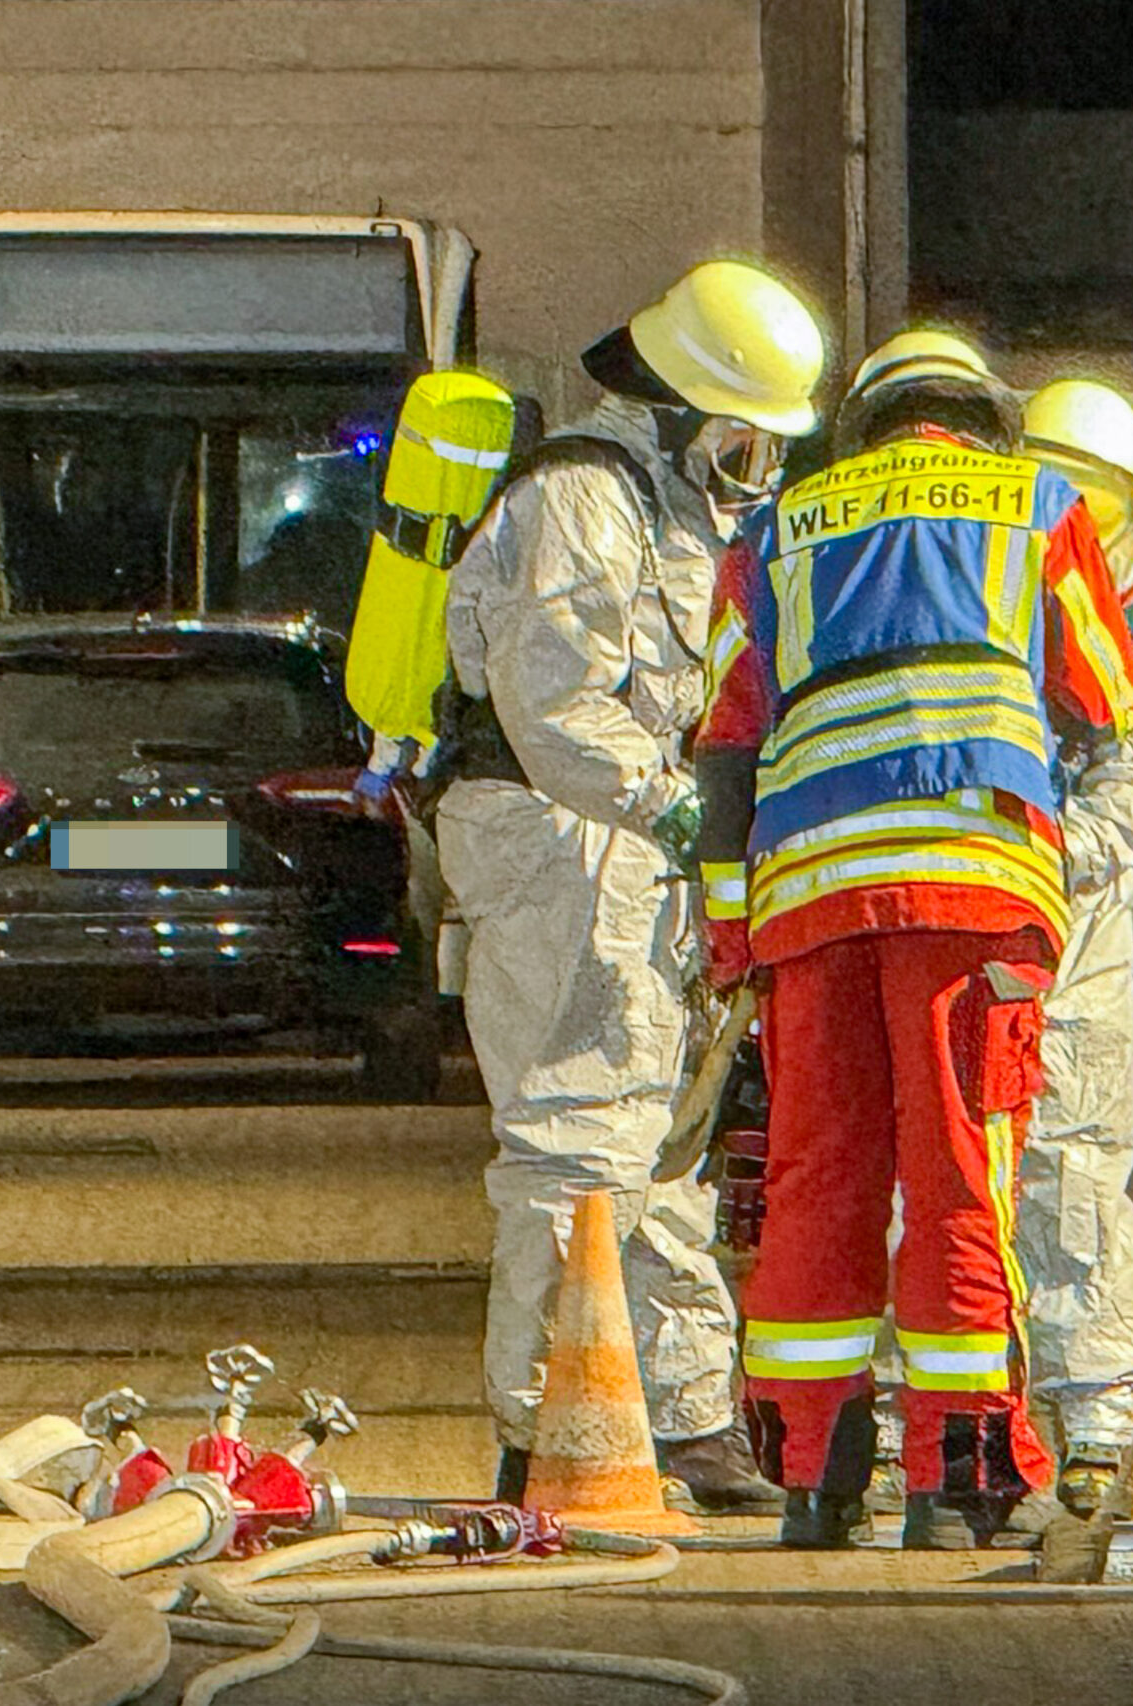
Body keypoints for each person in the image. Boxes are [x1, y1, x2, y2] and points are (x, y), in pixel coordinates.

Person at [693, 330, 1133, 1549]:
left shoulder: (777, 527)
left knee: (814, 1175)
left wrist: (729, 928)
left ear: (865, 422)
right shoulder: (1041, 502)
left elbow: (728, 737)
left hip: (805, 887)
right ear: (987, 416)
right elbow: (1104, 689)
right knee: (959, 1177)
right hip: (970, 885)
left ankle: (814, 1481)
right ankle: (955, 1484)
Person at [439, 258, 826, 1515]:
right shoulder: (578, 501)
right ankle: (544, 1426)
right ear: (681, 405)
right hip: (557, 842)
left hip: (623, 851)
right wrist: (672, 805)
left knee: (661, 1149)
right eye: (745, 439)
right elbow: (553, 705)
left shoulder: (662, 507)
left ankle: (685, 1415)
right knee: (568, 1147)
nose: (753, 469)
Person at [1011, 378, 1133, 1517]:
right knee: (935, 1167)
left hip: (1065, 911)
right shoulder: (976, 567)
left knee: (1071, 1167)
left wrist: (1033, 859)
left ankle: (1096, 1424)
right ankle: (914, 1420)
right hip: (978, 889)